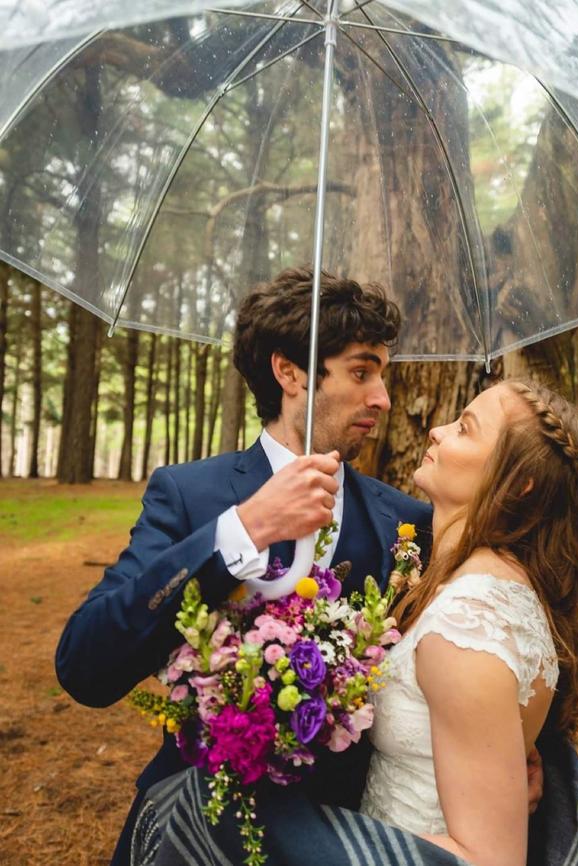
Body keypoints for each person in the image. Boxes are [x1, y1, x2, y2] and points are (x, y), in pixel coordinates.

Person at [55, 267, 433, 866]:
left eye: (381, 376)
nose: (382, 398)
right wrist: (242, 529)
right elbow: (85, 665)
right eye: (362, 372)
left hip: (343, 837)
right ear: (289, 372)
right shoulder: (188, 494)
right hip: (196, 828)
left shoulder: (408, 522)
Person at [360, 378, 578, 866]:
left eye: (464, 428)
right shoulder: (479, 588)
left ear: (518, 484)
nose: (435, 430)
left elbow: (489, 859)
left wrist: (312, 842)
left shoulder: (468, 626)